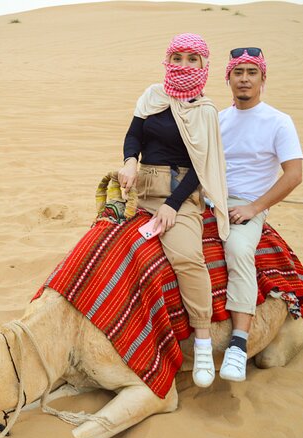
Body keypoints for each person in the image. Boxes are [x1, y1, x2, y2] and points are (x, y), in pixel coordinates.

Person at [118, 33, 230, 388]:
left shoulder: (205, 110)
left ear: (203, 65)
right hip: (140, 190)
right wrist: (129, 161)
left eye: (191, 59)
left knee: (186, 257)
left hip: (180, 194)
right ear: (168, 60)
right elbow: (134, 136)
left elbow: (201, 166)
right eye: (177, 57)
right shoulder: (153, 96)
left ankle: (202, 340)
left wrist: (172, 205)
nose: (183, 65)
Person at [218, 47, 303, 382]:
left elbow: (293, 175)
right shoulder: (218, 120)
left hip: (246, 204)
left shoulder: (278, 122)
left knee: (238, 249)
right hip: (207, 200)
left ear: (262, 78)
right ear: (228, 78)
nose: (244, 79)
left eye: (251, 72)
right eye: (238, 72)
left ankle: (238, 343)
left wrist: (254, 208)